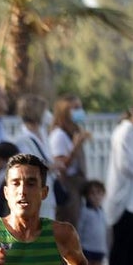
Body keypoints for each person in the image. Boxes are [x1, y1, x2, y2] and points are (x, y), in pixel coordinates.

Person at [103, 107, 133, 265]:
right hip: (123, 198)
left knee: (132, 246)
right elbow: (127, 165)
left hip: (131, 198)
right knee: (121, 244)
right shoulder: (124, 133)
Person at [48, 94, 92, 230]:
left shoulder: (73, 132)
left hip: (78, 184)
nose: (80, 111)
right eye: (76, 108)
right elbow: (60, 166)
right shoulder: (59, 135)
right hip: (68, 187)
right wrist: (75, 148)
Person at [12, 94, 58, 221]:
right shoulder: (23, 139)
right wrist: (52, 166)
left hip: (47, 190)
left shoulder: (42, 133)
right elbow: (30, 165)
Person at [78, 180, 109, 265]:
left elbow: (104, 230)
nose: (96, 196)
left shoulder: (102, 212)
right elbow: (80, 228)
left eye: (99, 193)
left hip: (99, 247)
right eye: (92, 193)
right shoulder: (85, 212)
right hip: (87, 246)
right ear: (87, 196)